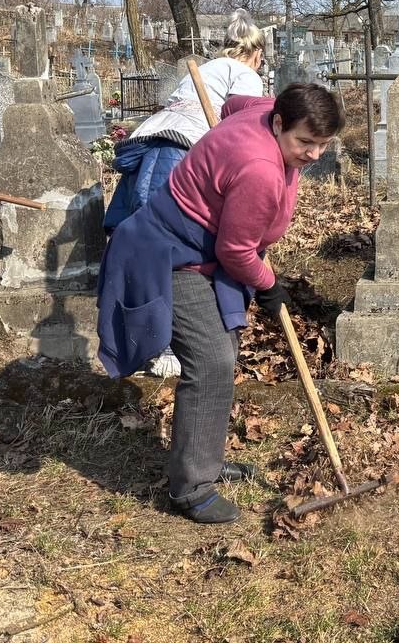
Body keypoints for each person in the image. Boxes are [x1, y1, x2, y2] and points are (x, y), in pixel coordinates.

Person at [96, 83, 342, 523]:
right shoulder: (259, 169)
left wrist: (221, 158)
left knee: (222, 353)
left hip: (204, 254)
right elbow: (236, 251)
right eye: (305, 142)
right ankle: (191, 488)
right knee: (211, 361)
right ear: (279, 122)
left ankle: (203, 458)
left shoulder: (265, 108)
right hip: (172, 256)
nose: (314, 154)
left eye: (323, 144)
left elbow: (233, 104)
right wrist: (268, 285)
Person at [104, 8, 267, 377]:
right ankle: (168, 346)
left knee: (147, 234)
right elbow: (243, 129)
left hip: (154, 140)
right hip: (184, 150)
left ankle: (153, 339)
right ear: (257, 54)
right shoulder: (246, 76)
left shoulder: (211, 67)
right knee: (171, 245)